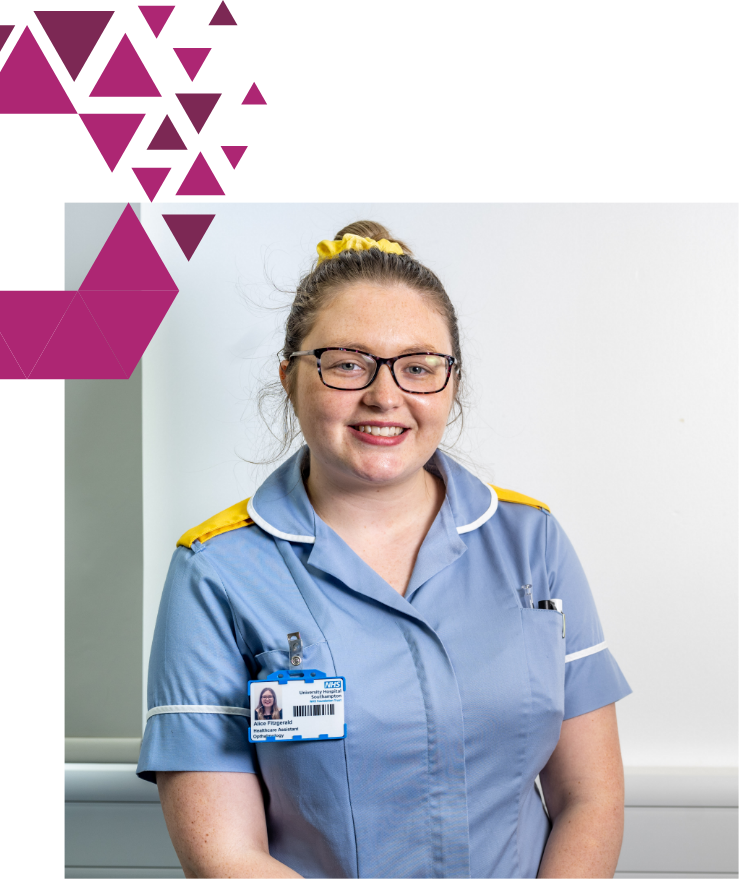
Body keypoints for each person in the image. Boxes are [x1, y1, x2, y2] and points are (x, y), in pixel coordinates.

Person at [137, 221, 632, 879]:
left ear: (449, 383)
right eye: (347, 363)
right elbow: (224, 851)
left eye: (418, 366)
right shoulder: (216, 570)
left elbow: (588, 796)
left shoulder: (530, 539)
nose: (384, 395)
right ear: (289, 377)